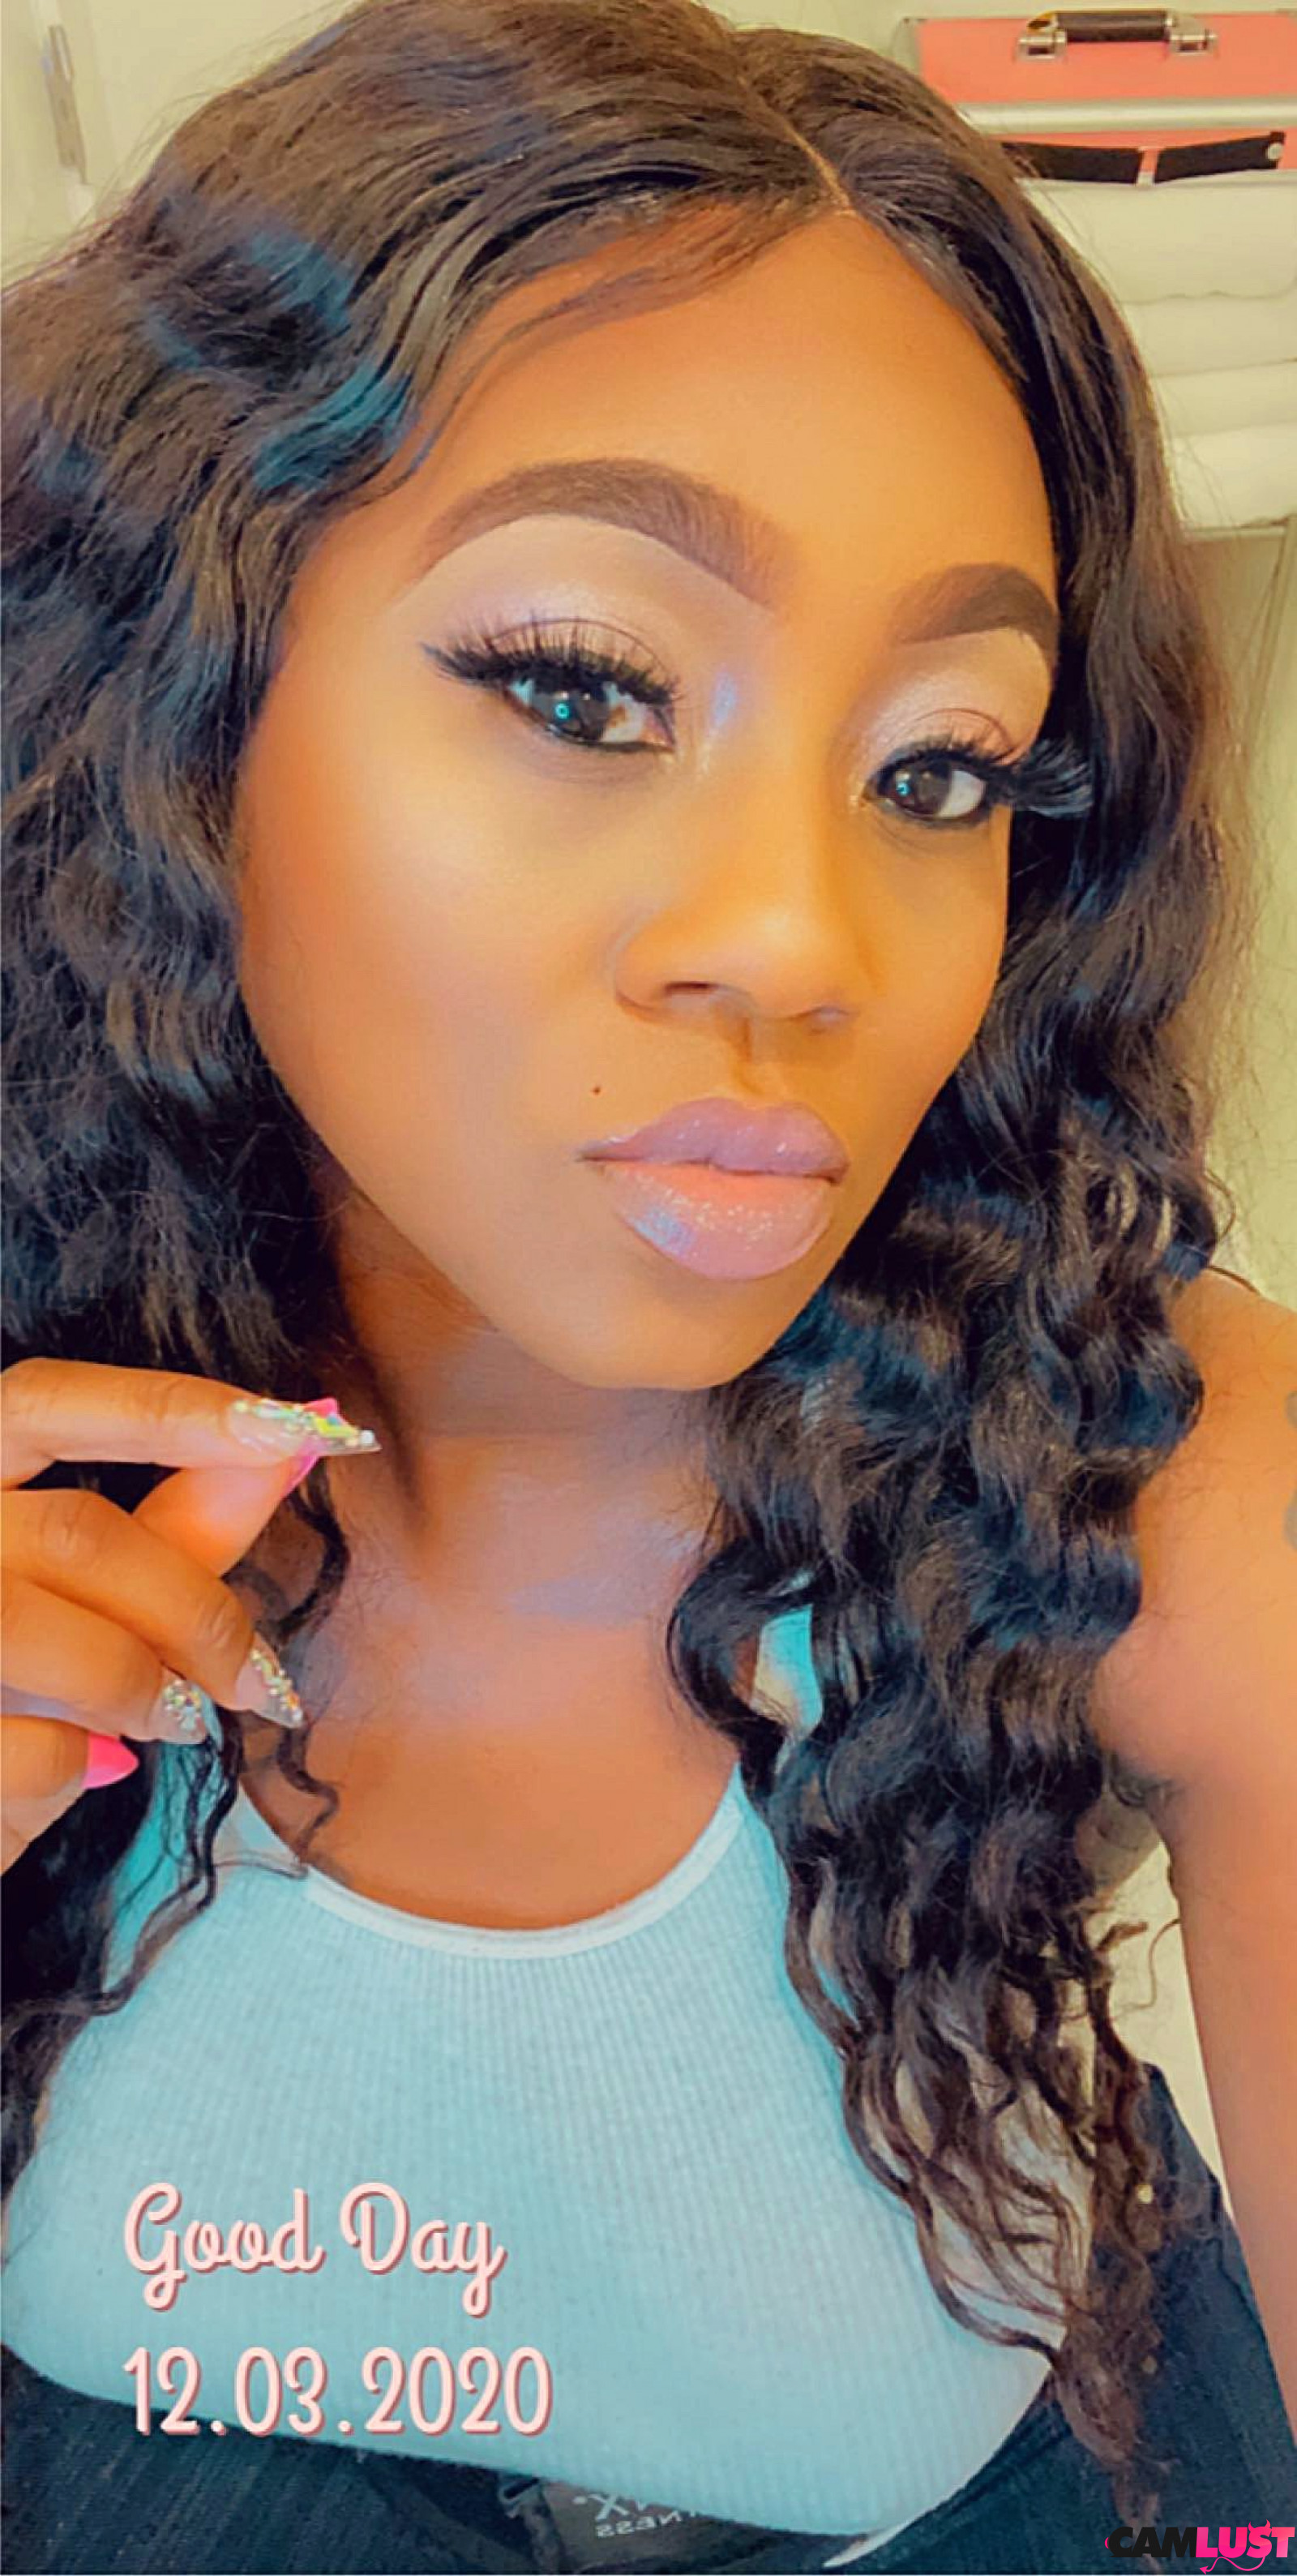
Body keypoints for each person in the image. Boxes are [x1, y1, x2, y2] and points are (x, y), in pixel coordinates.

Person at [2, 1, 1294, 2569]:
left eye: (941, 767)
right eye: (582, 686)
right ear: (173, 694)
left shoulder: (1157, 1491)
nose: (806, 943)